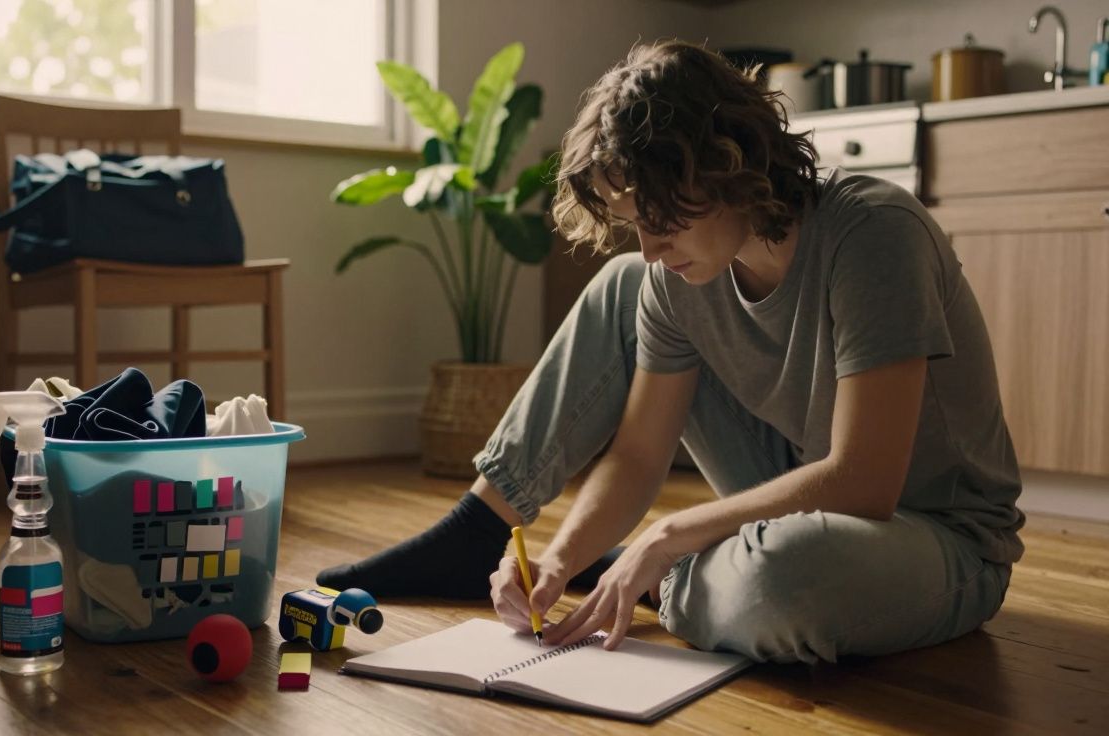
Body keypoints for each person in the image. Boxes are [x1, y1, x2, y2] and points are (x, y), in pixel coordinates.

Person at [317, 40, 1024, 664]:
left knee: (781, 584)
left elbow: (865, 482)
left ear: (729, 165)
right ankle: (490, 532)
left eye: (661, 220)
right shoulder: (675, 276)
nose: (652, 247)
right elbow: (638, 456)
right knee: (626, 282)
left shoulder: (872, 233)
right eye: (635, 223)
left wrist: (668, 539)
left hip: (933, 534)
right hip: (797, 487)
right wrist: (560, 560)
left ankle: (665, 575)